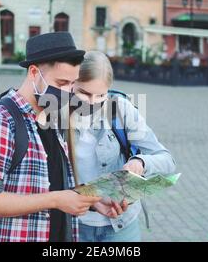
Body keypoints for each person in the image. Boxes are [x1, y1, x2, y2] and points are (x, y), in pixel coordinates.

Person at [0, 32, 104, 242]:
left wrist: (92, 201)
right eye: (61, 82)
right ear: (34, 72)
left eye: (72, 83)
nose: (68, 92)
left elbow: (52, 183)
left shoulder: (51, 117)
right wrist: (56, 200)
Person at [69, 51, 177, 242]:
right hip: (75, 226)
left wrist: (140, 162)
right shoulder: (55, 115)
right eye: (84, 93)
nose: (92, 103)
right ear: (71, 84)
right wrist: (90, 200)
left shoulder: (121, 109)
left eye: (101, 95)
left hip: (120, 227)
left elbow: (167, 160)